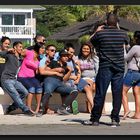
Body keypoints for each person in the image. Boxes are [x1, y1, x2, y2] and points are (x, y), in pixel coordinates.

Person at [83, 13, 130, 126]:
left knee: (100, 93)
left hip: (105, 67)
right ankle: (115, 119)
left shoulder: (100, 34)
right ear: (117, 23)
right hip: (119, 67)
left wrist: (97, 30)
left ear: (106, 22)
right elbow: (127, 44)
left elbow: (90, 42)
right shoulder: (123, 34)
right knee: (117, 93)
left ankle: (94, 119)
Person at [38, 49, 78, 116]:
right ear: (60, 57)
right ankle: (41, 110)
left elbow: (64, 79)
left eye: (67, 56)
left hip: (59, 83)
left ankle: (62, 108)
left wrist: (70, 71)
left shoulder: (66, 66)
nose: (66, 58)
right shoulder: (53, 62)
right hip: (50, 79)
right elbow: (45, 71)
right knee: (47, 92)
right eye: (64, 56)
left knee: (74, 91)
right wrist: (56, 70)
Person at [0, 41, 34, 116]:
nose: (21, 49)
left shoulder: (20, 59)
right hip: (6, 79)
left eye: (22, 47)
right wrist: (8, 50)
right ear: (15, 47)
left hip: (14, 80)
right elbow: (1, 54)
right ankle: (26, 110)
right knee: (15, 94)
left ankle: (12, 107)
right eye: (20, 47)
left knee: (25, 92)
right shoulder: (9, 55)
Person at [65, 44, 94, 113]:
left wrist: (78, 79)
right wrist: (72, 77)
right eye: (71, 52)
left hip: (77, 79)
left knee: (87, 86)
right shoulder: (63, 60)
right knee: (73, 88)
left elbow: (79, 71)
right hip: (68, 79)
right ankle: (70, 107)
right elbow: (62, 75)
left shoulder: (74, 60)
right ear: (66, 51)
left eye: (73, 52)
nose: (72, 54)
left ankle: (93, 106)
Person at [17, 42, 44, 115]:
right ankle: (28, 109)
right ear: (38, 48)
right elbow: (18, 53)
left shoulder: (39, 59)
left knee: (39, 88)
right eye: (42, 48)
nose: (43, 50)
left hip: (32, 77)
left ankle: (37, 108)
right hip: (22, 76)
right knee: (31, 88)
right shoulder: (29, 52)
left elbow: (38, 71)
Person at [122, 31, 140, 119]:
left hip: (133, 72)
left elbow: (126, 58)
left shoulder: (136, 47)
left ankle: (126, 110)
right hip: (139, 73)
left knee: (122, 91)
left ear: (136, 38)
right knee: (137, 93)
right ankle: (138, 114)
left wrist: (123, 49)